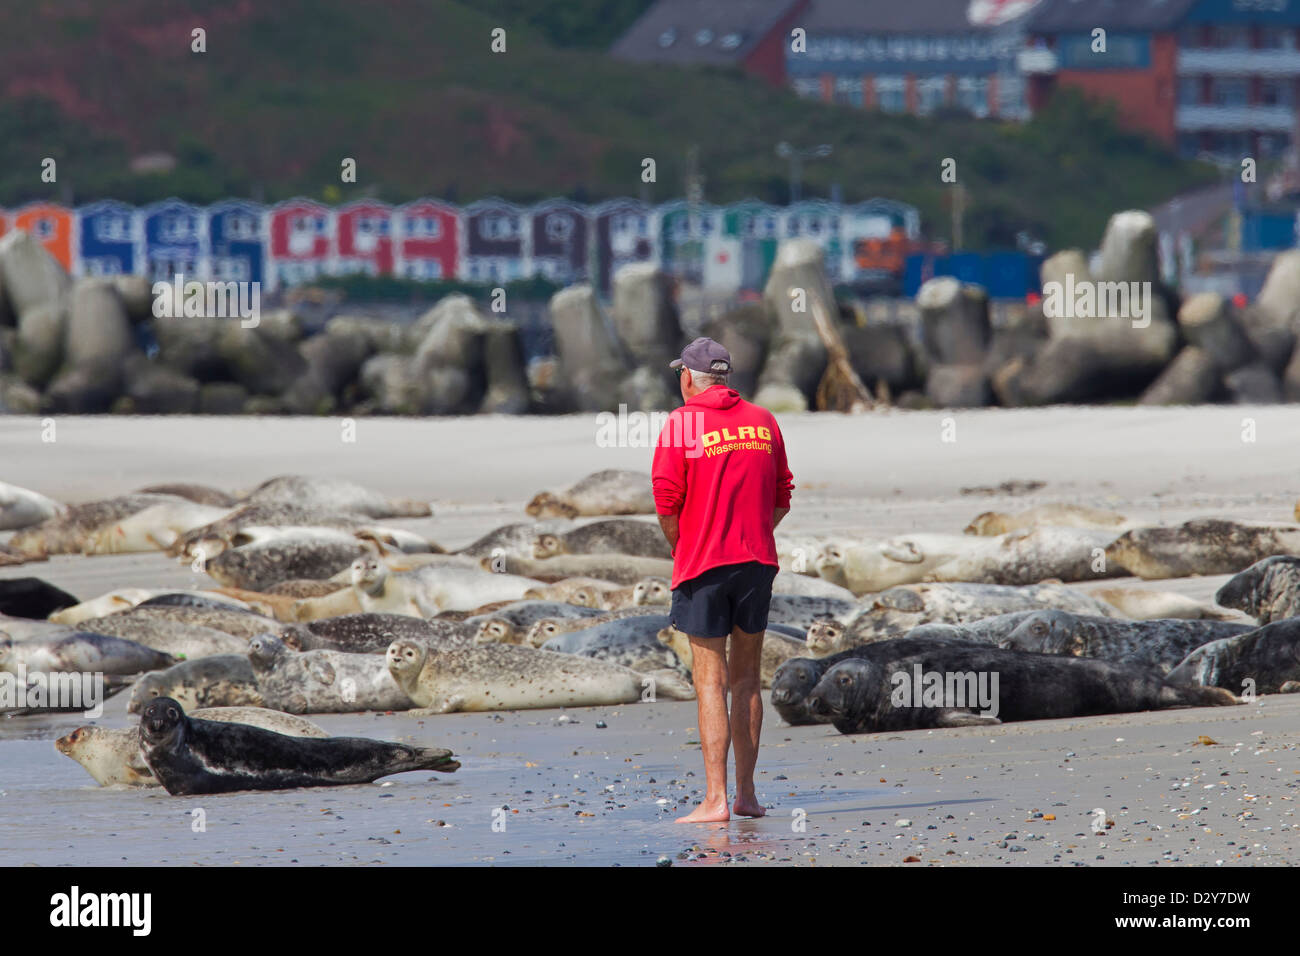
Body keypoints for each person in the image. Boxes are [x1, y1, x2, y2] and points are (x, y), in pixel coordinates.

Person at [651, 336, 793, 823]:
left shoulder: (681, 422)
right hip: (756, 563)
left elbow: (666, 499)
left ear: (689, 378)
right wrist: (752, 536)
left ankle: (715, 800)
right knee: (749, 679)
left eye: (680, 376)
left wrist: (683, 546)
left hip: (704, 565)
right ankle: (747, 796)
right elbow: (783, 494)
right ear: (725, 377)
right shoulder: (763, 420)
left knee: (710, 682)